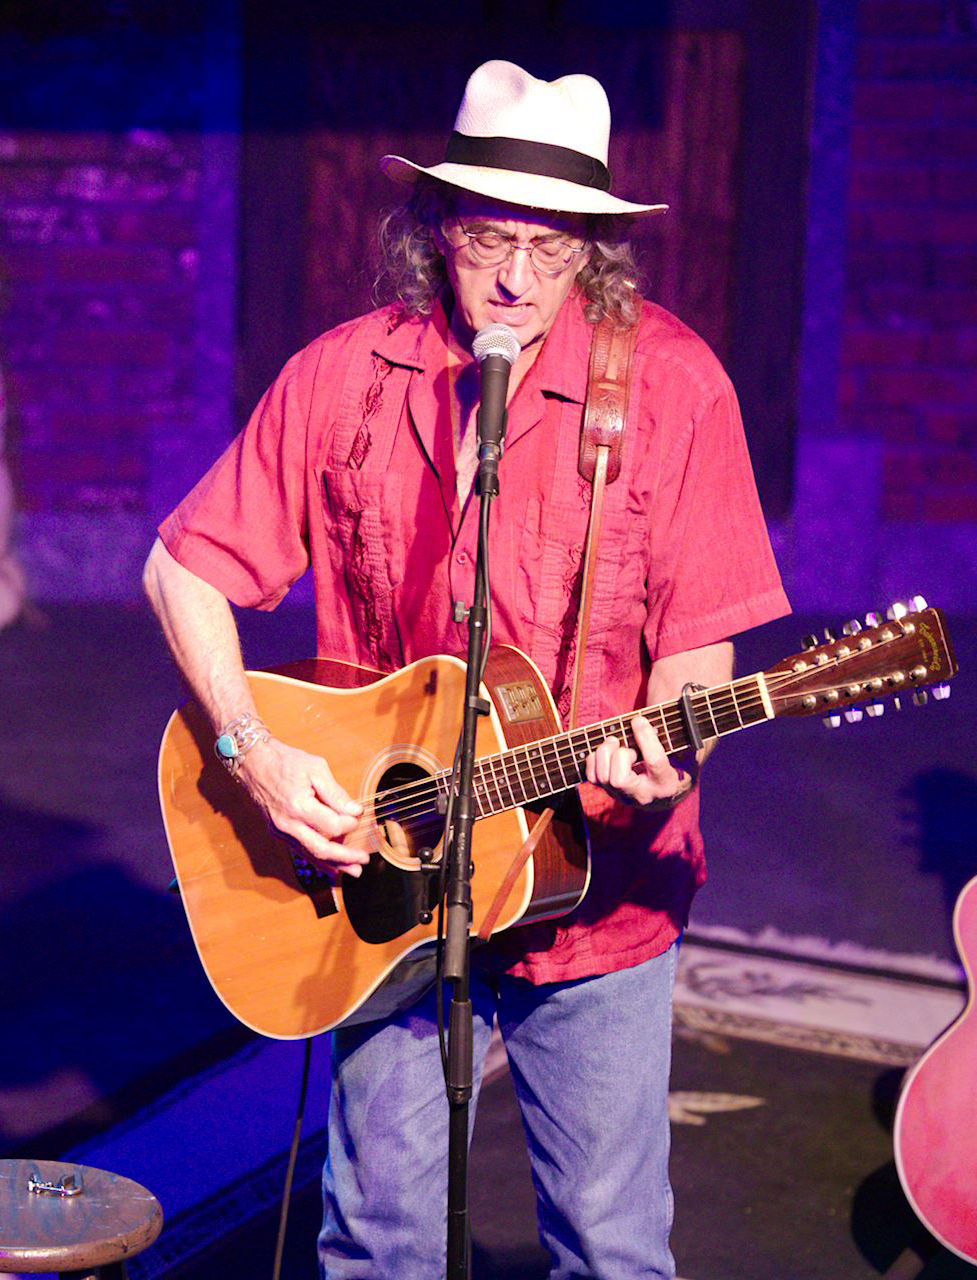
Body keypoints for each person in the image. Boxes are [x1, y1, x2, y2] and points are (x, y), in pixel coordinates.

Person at [144, 62, 789, 1277]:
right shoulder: (347, 375)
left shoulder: (674, 389)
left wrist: (673, 736)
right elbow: (182, 569)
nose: (514, 281)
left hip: (592, 889)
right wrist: (260, 756)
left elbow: (703, 643)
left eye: (552, 252)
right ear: (438, 227)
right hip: (380, 893)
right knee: (379, 1236)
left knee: (609, 1242)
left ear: (593, 251)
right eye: (491, 239)